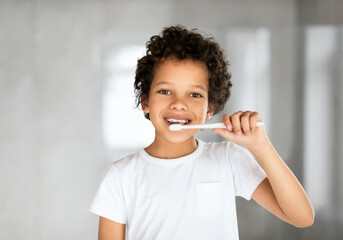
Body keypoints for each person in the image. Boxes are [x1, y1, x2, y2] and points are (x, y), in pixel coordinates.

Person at [89, 25, 314, 240]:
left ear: (210, 109)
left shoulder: (229, 158)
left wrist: (261, 147)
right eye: (165, 91)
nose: (179, 103)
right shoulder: (120, 177)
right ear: (146, 102)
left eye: (194, 95)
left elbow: (302, 217)